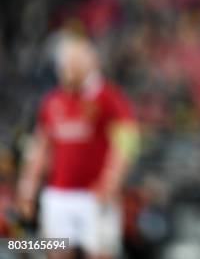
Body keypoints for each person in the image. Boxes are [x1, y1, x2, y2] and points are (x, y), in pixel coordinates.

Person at [17, 34, 140, 259]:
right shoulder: (52, 101)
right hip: (58, 195)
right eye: (65, 63)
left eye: (75, 62)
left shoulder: (107, 98)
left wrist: (110, 181)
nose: (68, 68)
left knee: (100, 253)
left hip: (93, 197)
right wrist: (28, 187)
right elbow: (40, 147)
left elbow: (128, 141)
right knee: (57, 251)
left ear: (91, 63)